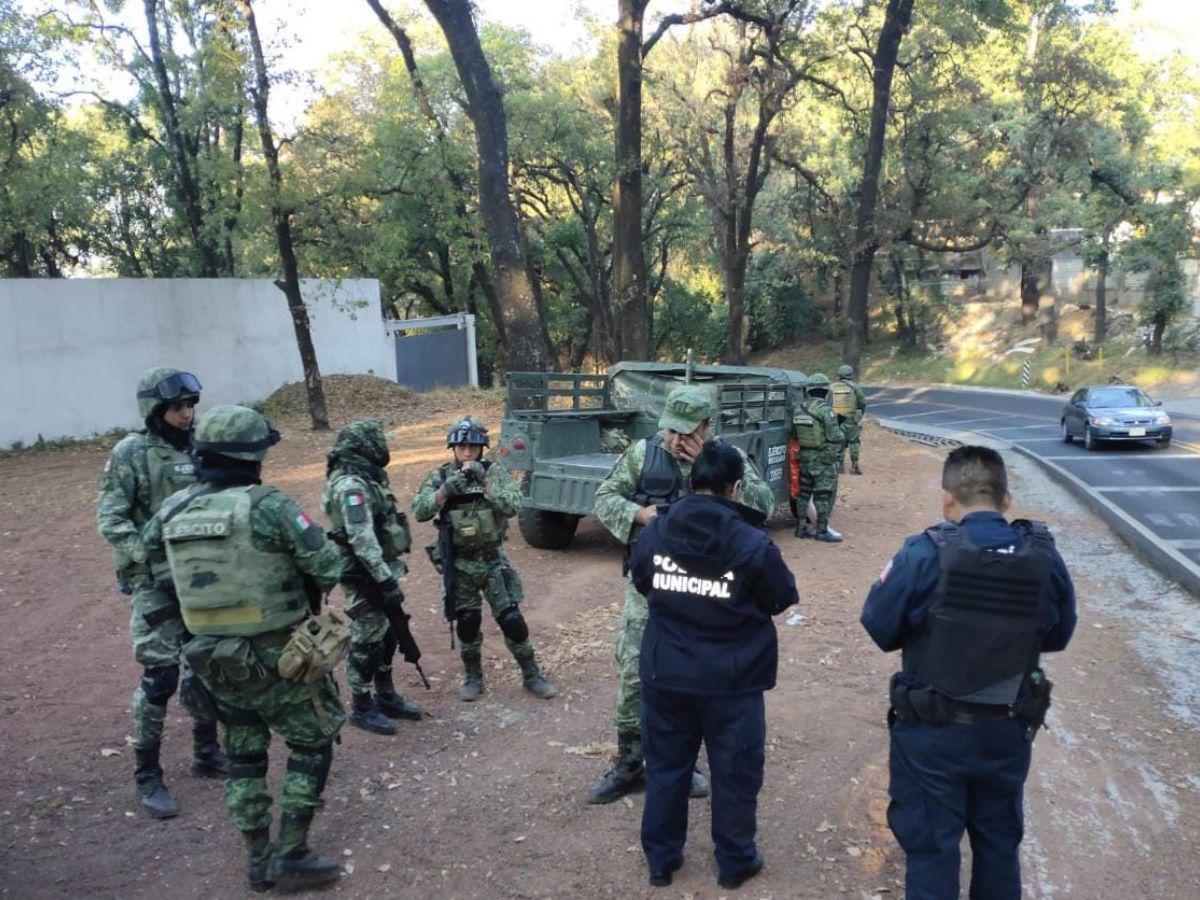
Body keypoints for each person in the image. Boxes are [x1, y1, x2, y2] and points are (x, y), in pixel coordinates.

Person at [141, 405, 351, 892]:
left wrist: (183, 626)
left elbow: (141, 570)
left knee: (243, 755)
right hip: (284, 662)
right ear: (254, 455)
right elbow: (327, 568)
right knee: (312, 742)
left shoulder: (171, 511)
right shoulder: (271, 506)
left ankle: (258, 860)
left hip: (214, 662)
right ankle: (291, 852)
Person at [860, 446, 1076, 900]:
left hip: (933, 733)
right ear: (1006, 498)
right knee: (998, 846)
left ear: (946, 499)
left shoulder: (924, 553)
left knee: (932, 850)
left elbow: (880, 626)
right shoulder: (1043, 556)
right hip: (1006, 730)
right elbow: (1057, 635)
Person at [587, 384, 776, 805]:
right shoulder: (642, 454)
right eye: (671, 430)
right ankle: (629, 763)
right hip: (653, 587)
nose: (676, 441)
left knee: (689, 677)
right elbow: (603, 497)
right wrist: (640, 515)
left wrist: (718, 478)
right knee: (635, 672)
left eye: (687, 433)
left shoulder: (726, 459)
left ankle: (681, 763)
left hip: (706, 593)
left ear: (707, 428)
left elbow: (763, 503)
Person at [630, 440, 798, 889]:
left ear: (693, 481)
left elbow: (643, 578)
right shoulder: (751, 542)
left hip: (667, 673)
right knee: (735, 773)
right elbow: (781, 597)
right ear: (736, 487)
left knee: (666, 768)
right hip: (732, 680)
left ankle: (662, 861)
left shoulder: (656, 532)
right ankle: (735, 861)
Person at [95, 366, 228, 818]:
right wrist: (147, 558)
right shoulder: (131, 453)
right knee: (160, 679)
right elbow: (111, 519)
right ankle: (148, 775)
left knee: (207, 665)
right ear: (155, 410)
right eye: (177, 408)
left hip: (200, 580)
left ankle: (206, 753)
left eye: (191, 406)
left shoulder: (200, 446)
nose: (187, 415)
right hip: (155, 585)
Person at [411, 416, 556, 702]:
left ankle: (531, 674)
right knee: (467, 622)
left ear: (481, 448)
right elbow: (419, 511)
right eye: (462, 447)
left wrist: (485, 482)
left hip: (491, 560)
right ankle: (473, 677)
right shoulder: (440, 476)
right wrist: (444, 492)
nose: (467, 452)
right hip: (460, 564)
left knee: (512, 620)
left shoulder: (495, 473)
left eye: (473, 447)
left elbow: (513, 505)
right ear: (453, 448)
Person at [323, 418, 422, 736]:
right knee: (367, 640)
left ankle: (386, 694)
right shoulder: (351, 485)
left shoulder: (366, 477)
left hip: (379, 569)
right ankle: (362, 705)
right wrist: (385, 580)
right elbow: (361, 538)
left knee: (388, 634)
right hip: (364, 574)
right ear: (365, 446)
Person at [791, 372, 844, 542]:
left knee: (803, 494)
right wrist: (831, 457)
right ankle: (821, 531)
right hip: (822, 459)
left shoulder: (799, 409)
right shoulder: (825, 411)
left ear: (809, 391)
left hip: (804, 457)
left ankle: (801, 528)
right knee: (823, 495)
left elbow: (794, 434)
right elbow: (835, 437)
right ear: (826, 392)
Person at [833, 364, 867, 475]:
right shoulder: (855, 387)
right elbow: (862, 402)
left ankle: (839, 465)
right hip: (851, 419)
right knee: (854, 442)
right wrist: (860, 414)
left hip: (837, 419)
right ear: (850, 374)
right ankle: (854, 466)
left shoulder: (832, 387)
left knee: (840, 442)